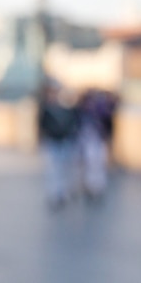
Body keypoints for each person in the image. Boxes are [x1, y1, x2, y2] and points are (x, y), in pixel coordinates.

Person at [37, 79, 80, 210]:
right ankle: (54, 194)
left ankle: (62, 193)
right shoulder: (46, 108)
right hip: (52, 141)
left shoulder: (66, 107)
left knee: (64, 169)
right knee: (53, 169)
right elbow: (41, 125)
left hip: (64, 141)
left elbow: (73, 123)